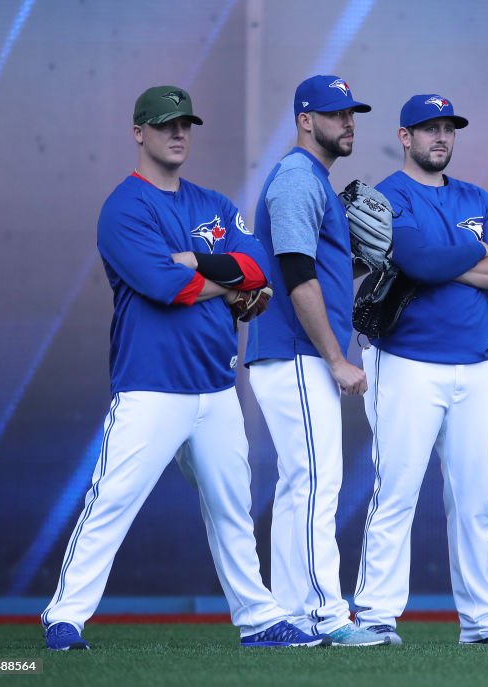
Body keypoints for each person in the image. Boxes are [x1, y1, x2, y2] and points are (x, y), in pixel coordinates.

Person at [41, 86, 329, 650]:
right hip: (151, 385)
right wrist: (228, 283)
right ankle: (65, 616)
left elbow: (260, 265)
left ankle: (260, 618)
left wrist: (200, 265)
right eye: (166, 124)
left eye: (186, 124)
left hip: (217, 385)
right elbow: (162, 285)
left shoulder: (214, 204)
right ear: (139, 132)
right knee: (111, 502)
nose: (178, 134)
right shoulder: (125, 206)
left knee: (233, 509)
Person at [352, 94, 488, 646]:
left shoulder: (476, 195)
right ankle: (375, 617)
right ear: (405, 136)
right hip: (407, 362)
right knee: (396, 494)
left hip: (477, 365)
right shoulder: (388, 195)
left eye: (448, 128)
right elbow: (420, 262)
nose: (440, 136)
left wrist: (446, 255)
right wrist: (469, 245)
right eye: (428, 128)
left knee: (475, 500)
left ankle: (483, 622)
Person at [244, 75, 385, 646]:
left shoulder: (312, 182)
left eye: (352, 113)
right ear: (306, 120)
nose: (348, 122)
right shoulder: (299, 179)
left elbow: (311, 272)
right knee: (315, 483)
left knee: (300, 485)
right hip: (300, 353)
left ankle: (292, 617)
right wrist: (335, 358)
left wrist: (353, 264)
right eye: (335, 114)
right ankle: (328, 615)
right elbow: (297, 275)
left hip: (290, 353)